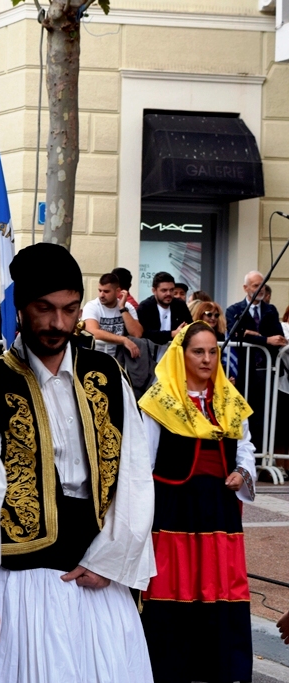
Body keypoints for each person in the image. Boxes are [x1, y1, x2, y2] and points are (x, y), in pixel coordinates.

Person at [0, 243, 155, 682]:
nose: (58, 323)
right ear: (20, 307)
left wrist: (111, 558)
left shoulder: (107, 378)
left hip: (96, 576)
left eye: (70, 309)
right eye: (44, 308)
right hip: (16, 586)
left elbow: (134, 475)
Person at [137, 322, 255, 682]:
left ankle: (222, 669)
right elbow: (143, 460)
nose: (207, 359)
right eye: (198, 351)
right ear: (181, 355)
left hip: (219, 512)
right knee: (176, 587)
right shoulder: (160, 401)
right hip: (174, 511)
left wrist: (243, 472)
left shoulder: (228, 399)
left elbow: (246, 445)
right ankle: (170, 669)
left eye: (213, 351)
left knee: (222, 588)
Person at [225, 270, 287, 448]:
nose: (260, 289)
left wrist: (253, 336)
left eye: (262, 286)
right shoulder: (235, 310)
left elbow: (278, 337)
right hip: (244, 370)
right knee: (244, 413)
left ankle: (262, 456)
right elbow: (235, 334)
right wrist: (264, 339)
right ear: (246, 288)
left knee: (264, 415)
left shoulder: (270, 310)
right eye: (255, 286)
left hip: (267, 370)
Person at [80, 272, 143, 357]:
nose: (101, 295)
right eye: (100, 290)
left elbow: (137, 333)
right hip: (95, 357)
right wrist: (123, 340)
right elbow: (93, 332)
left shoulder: (127, 307)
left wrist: (122, 308)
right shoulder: (92, 306)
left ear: (118, 291)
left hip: (120, 359)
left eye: (106, 291)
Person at [136, 271, 193, 346]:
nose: (168, 294)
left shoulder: (180, 305)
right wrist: (171, 334)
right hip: (151, 352)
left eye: (172, 290)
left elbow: (190, 327)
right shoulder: (145, 307)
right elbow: (144, 333)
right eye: (164, 290)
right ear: (154, 291)